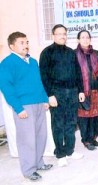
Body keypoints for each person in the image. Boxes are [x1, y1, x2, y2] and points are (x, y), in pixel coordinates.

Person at [0, 32, 52, 181]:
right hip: (24, 106)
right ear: (12, 46)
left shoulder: (33, 61)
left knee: (40, 135)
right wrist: (18, 108)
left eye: (27, 42)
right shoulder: (7, 63)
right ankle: (29, 170)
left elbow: (39, 82)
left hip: (39, 104)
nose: (26, 45)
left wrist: (44, 99)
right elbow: (6, 87)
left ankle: (39, 162)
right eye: (22, 42)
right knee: (27, 139)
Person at [39, 24, 85, 167]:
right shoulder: (47, 52)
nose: (62, 36)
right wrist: (49, 95)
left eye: (64, 33)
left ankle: (70, 150)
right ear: (53, 36)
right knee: (58, 124)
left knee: (71, 122)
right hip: (56, 92)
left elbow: (78, 73)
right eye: (59, 34)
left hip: (72, 92)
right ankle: (60, 153)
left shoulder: (71, 52)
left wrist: (81, 90)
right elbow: (43, 76)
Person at [75, 30, 98, 151]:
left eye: (87, 37)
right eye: (83, 37)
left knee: (95, 116)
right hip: (83, 90)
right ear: (78, 40)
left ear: (90, 39)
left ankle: (93, 137)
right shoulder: (74, 54)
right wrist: (79, 90)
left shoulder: (95, 53)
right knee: (84, 117)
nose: (85, 39)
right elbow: (74, 74)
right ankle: (86, 140)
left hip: (96, 89)